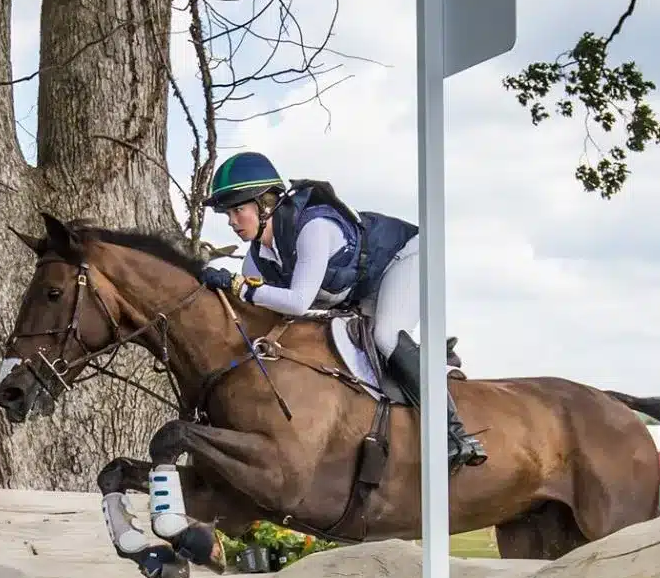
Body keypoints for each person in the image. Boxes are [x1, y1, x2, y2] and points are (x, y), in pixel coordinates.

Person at [197, 151, 486, 469]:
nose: (232, 221)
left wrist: (238, 287)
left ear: (265, 204)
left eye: (238, 210)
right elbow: (265, 313)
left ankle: (455, 434)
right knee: (351, 352)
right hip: (363, 285)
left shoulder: (314, 228)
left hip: (405, 256)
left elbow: (297, 302)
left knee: (386, 336)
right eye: (228, 214)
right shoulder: (256, 260)